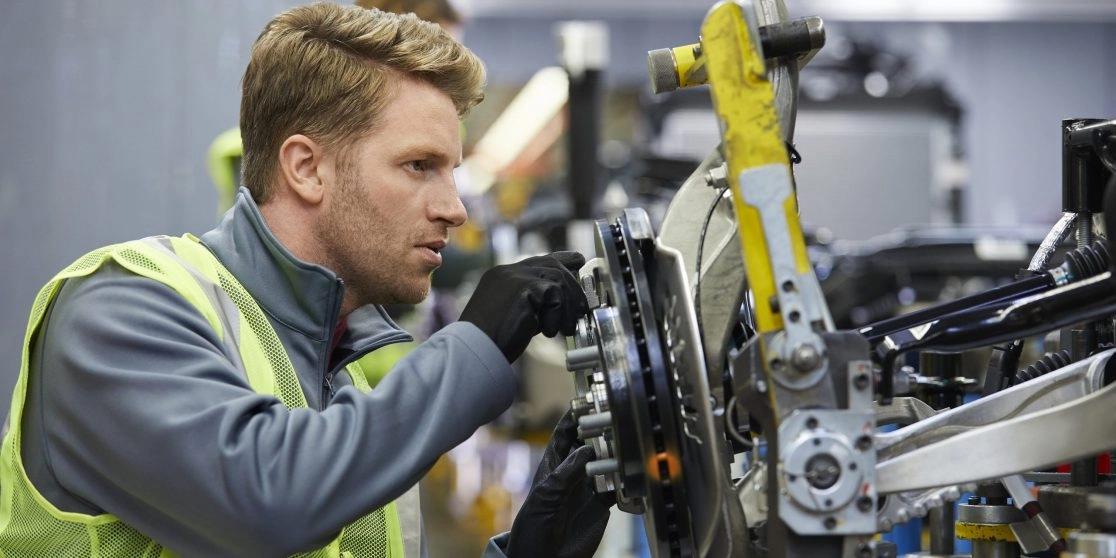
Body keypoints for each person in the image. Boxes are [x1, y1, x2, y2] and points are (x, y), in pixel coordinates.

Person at [0, 4, 610, 557]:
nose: (455, 208)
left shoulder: (340, 384)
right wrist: (476, 341)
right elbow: (267, 502)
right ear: (307, 168)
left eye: (451, 172)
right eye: (419, 166)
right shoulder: (116, 309)